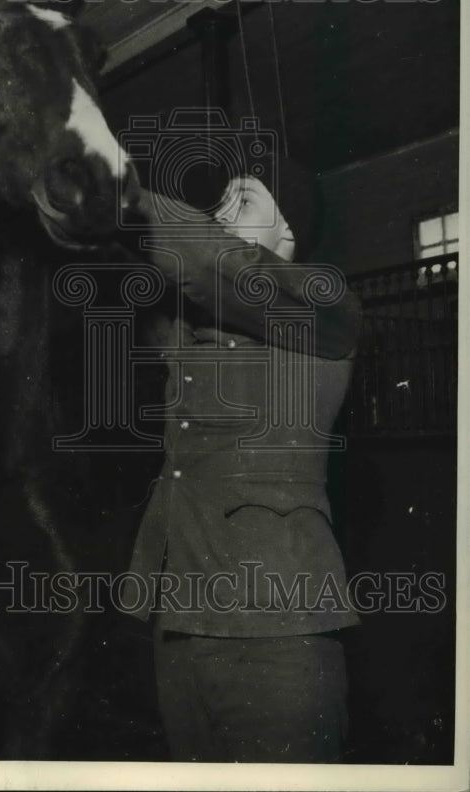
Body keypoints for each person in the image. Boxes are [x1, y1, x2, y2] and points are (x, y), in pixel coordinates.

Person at [125, 164, 362, 763]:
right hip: (176, 623)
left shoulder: (323, 305)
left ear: (287, 228)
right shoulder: (188, 325)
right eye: (219, 205)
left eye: (246, 198)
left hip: (277, 633)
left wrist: (117, 186)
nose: (223, 211)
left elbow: (214, 263)